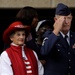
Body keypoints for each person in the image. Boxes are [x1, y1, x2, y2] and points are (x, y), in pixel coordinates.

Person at [41, 3, 75, 75]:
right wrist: (56, 30)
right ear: (56, 20)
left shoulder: (73, 36)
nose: (66, 22)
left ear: (71, 18)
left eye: (68, 18)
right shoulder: (50, 35)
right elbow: (44, 52)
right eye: (63, 19)